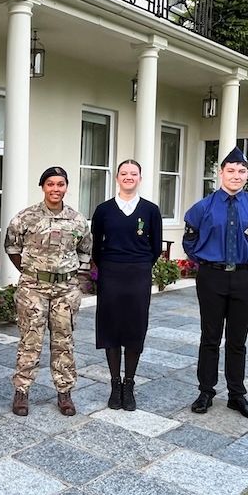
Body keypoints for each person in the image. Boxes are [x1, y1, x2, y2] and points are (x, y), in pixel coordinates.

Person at [183, 146, 248, 421]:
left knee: (238, 340)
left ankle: (237, 395)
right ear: (220, 173)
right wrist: (204, 261)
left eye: (241, 171)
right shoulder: (203, 207)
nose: (236, 175)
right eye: (231, 170)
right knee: (210, 337)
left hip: (245, 278)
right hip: (212, 277)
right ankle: (206, 391)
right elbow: (190, 240)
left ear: (247, 175)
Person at [5, 166, 92, 417]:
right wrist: (29, 271)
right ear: (43, 187)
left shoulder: (77, 220)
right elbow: (11, 246)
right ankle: (22, 391)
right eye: (51, 184)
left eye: (61, 184)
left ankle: (64, 392)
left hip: (65, 290)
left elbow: (86, 250)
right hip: (33, 288)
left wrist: (79, 279)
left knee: (64, 341)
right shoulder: (27, 217)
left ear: (66, 187)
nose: (56, 189)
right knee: (30, 341)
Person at [91, 159, 162, 412]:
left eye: (133, 173)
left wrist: (139, 265)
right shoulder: (103, 210)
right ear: (117, 177)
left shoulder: (151, 210)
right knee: (111, 327)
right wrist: (109, 265)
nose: (128, 177)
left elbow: (155, 248)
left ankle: (129, 384)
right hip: (110, 273)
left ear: (140, 178)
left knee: (134, 327)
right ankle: (114, 384)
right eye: (124, 173)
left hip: (139, 274)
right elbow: (95, 246)